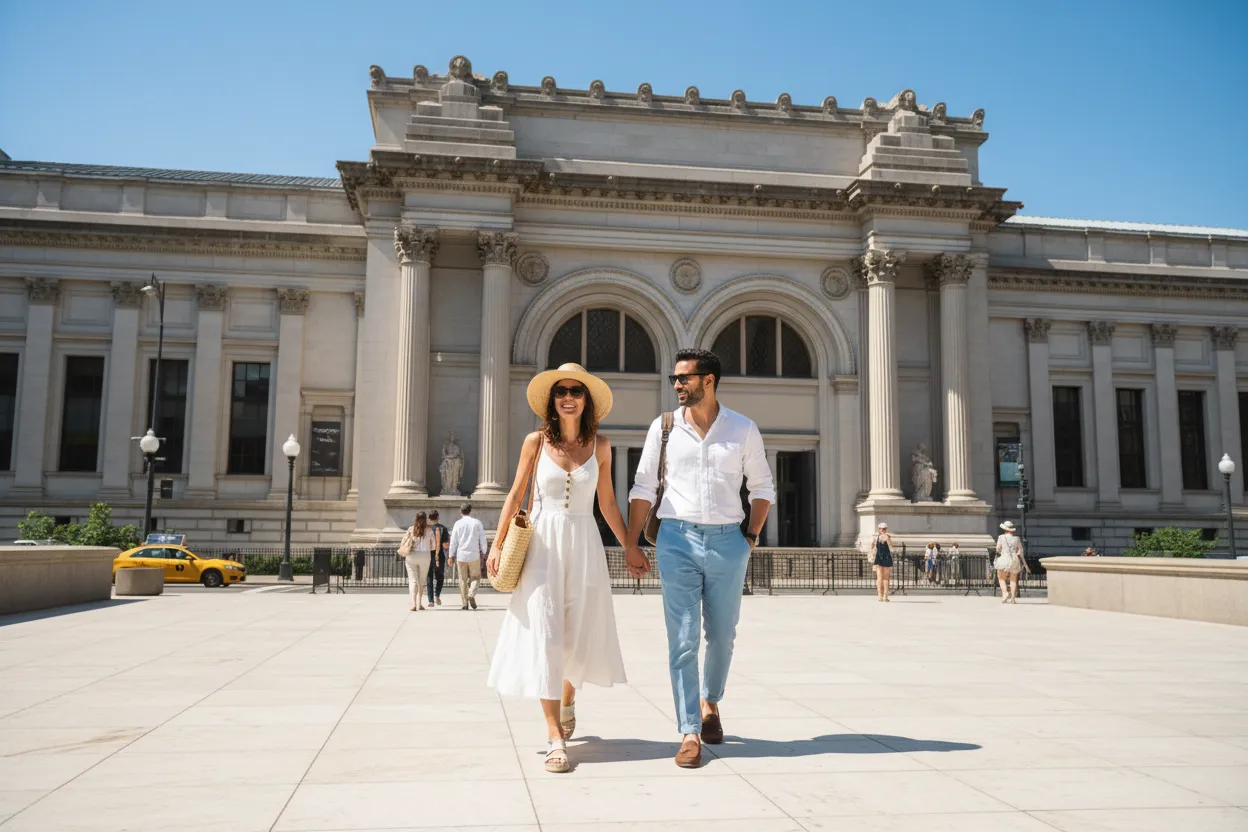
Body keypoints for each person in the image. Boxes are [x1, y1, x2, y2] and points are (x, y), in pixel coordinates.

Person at [625, 348, 774, 769]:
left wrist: (750, 537)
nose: (676, 384)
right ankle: (689, 730)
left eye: (684, 378)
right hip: (676, 539)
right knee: (684, 637)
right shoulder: (664, 428)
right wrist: (632, 543)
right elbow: (643, 487)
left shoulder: (742, 429)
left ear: (708, 381)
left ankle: (711, 701)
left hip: (729, 541)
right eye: (674, 378)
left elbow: (763, 487)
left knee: (723, 635)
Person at [486, 363, 629, 775]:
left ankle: (567, 698)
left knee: (575, 635)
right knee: (546, 635)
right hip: (542, 548)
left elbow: (607, 503)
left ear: (587, 400)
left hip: (584, 545)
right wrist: (496, 543)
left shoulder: (602, 446)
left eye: (575, 391)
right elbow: (515, 494)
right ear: (552, 400)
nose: (568, 397)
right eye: (561, 391)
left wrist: (630, 546)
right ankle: (554, 736)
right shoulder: (535, 442)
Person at [448, 503, 487, 610]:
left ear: (461, 512)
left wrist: (451, 555)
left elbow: (454, 541)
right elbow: (482, 538)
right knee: (475, 577)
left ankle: (465, 603)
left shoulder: (457, 524)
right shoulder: (477, 523)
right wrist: (484, 551)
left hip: (461, 555)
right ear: (470, 511)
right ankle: (471, 593)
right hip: (474, 555)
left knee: (462, 580)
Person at [398, 511, 435, 611]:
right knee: (422, 581)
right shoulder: (429, 530)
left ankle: (413, 604)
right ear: (426, 519)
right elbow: (433, 546)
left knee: (413, 580)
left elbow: (403, 542)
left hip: (412, 555)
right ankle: (420, 603)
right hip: (425, 556)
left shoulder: (411, 529)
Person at [995, 520, 1025, 603]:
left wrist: (1002, 551)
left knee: (1001, 578)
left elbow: (998, 549)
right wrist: (1015, 554)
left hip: (1004, 558)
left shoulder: (1001, 537)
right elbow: (1020, 550)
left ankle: (1005, 593)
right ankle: (1013, 598)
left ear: (1005, 529)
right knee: (1013, 580)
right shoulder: (1017, 538)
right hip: (1014, 559)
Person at [426, 509, 449, 606]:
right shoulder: (443, 528)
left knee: (429, 577)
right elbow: (446, 545)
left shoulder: (427, 529)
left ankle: (430, 601)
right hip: (439, 556)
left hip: (428, 555)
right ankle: (437, 595)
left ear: (429, 518)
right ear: (438, 517)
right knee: (440, 576)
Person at [870, 522, 895, 602]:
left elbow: (872, 547)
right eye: (882, 529)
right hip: (884, 558)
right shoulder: (886, 537)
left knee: (883, 578)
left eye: (884, 529)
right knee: (882, 578)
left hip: (881, 558)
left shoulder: (877, 537)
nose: (883, 530)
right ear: (879, 529)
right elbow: (891, 549)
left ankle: (883, 596)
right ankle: (882, 596)